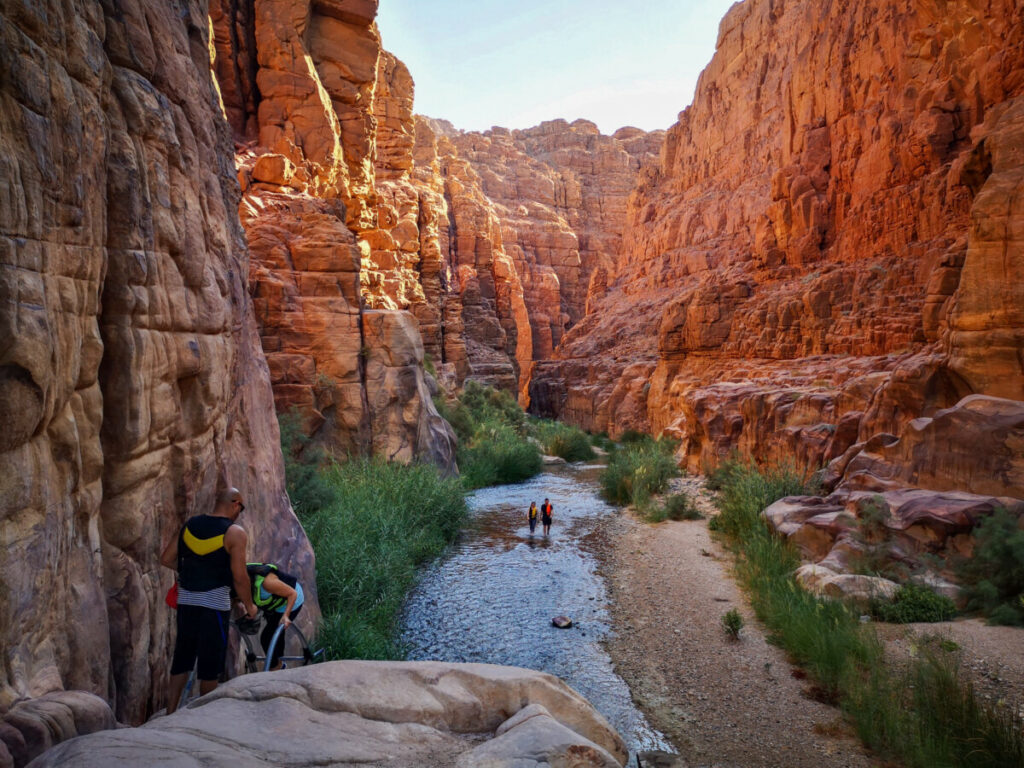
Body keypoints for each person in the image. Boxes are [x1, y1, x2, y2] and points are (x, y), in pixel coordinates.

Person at [160, 487, 257, 714]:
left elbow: (166, 559)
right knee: (209, 666)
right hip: (214, 605)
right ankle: (205, 718)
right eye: (240, 508)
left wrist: (192, 573)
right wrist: (250, 606)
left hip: (187, 602)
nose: (239, 513)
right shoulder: (234, 533)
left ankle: (170, 713)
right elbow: (240, 577)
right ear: (235, 503)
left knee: (182, 659)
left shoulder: (189, 526)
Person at [245, 563, 305, 671]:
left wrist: (286, 616)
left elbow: (292, 594)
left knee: (267, 637)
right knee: (274, 632)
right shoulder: (241, 583)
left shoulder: (267, 583)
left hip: (292, 601)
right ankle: (279, 663)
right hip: (275, 604)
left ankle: (276, 667)